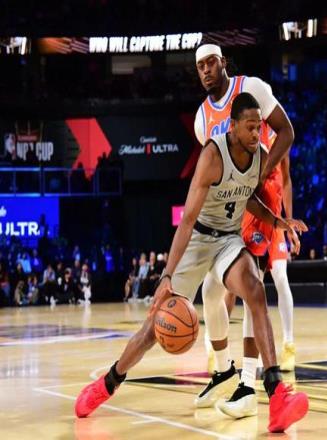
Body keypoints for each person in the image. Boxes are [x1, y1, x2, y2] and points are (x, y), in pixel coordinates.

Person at [75, 93, 309, 433]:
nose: (257, 133)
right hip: (198, 239)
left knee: (255, 290)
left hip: (228, 240)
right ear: (232, 126)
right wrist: (167, 276)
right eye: (250, 126)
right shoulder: (213, 155)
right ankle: (107, 383)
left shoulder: (259, 155)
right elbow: (187, 220)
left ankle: (277, 396)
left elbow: (248, 198)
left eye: (259, 126)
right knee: (153, 328)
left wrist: (278, 222)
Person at [194, 44, 299, 390]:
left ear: (222, 62)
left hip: (260, 199)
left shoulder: (251, 88)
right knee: (213, 289)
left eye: (211, 62)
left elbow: (287, 135)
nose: (206, 70)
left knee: (258, 284)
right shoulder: (202, 118)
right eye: (200, 65)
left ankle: (251, 379)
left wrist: (265, 184)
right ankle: (223, 362)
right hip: (231, 205)